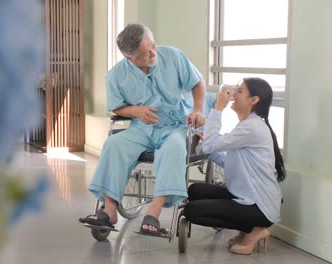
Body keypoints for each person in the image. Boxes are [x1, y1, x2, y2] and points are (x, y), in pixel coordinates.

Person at [79, 23, 206, 236]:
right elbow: (116, 107)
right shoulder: (116, 75)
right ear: (131, 59)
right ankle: (109, 211)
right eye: (146, 53)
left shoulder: (172, 56)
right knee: (114, 143)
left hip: (175, 124)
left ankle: (153, 214)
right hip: (142, 128)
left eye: (153, 46)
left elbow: (197, 82)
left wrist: (198, 109)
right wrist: (136, 111)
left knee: (174, 146)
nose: (154, 53)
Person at [183, 78, 285, 254]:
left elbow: (210, 145)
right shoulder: (247, 125)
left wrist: (218, 108)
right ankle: (250, 227)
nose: (234, 94)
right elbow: (228, 161)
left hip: (259, 206)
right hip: (247, 196)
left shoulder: (252, 127)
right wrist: (207, 139)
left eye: (240, 91)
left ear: (254, 100)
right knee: (195, 191)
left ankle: (254, 231)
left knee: (192, 210)